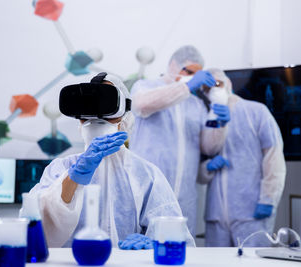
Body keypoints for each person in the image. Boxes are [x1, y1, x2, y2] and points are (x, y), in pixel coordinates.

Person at [29, 72, 190, 249]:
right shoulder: (60, 169)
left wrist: (157, 245)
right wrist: (72, 179)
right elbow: (36, 230)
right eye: (88, 113)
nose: (96, 120)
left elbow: (177, 236)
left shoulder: (147, 175)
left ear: (125, 118)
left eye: (107, 110)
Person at [130, 45, 230, 234]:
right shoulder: (146, 86)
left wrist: (219, 123)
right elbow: (141, 105)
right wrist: (185, 86)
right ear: (173, 65)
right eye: (189, 71)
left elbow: (207, 147)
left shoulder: (197, 105)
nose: (193, 77)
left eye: (197, 74)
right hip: (146, 192)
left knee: (181, 258)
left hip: (183, 200)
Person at [197, 68, 286, 247]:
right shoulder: (207, 119)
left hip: (251, 211)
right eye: (206, 89)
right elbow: (199, 159)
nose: (212, 90)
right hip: (216, 215)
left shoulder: (256, 112)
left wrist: (268, 199)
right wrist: (207, 167)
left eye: (217, 84)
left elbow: (274, 157)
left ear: (228, 84)